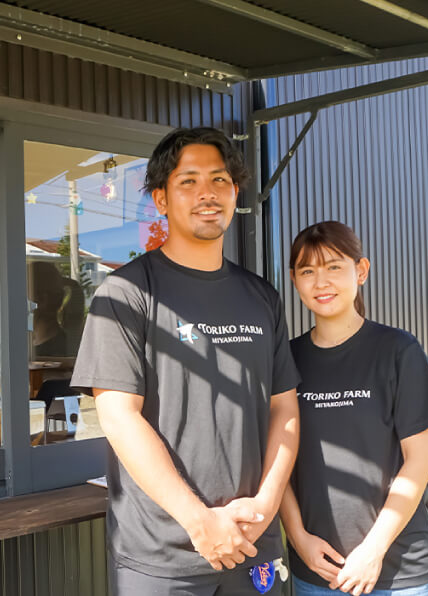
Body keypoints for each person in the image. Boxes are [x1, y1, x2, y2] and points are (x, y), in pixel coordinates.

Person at [71, 127, 301, 595]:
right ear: (161, 199)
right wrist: (200, 521)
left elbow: (285, 409)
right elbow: (119, 417)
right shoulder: (125, 294)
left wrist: (266, 504)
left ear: (235, 194)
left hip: (254, 542)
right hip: (163, 555)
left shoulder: (261, 297)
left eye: (220, 180)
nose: (207, 194)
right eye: (188, 181)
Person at [279, 221, 428, 596]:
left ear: (362, 270)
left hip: (400, 576)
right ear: (294, 280)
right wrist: (298, 537)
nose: (321, 282)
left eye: (334, 267)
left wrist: (373, 550)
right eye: (308, 271)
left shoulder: (398, 351)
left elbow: (420, 459)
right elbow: (278, 457)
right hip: (318, 574)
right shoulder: (286, 359)